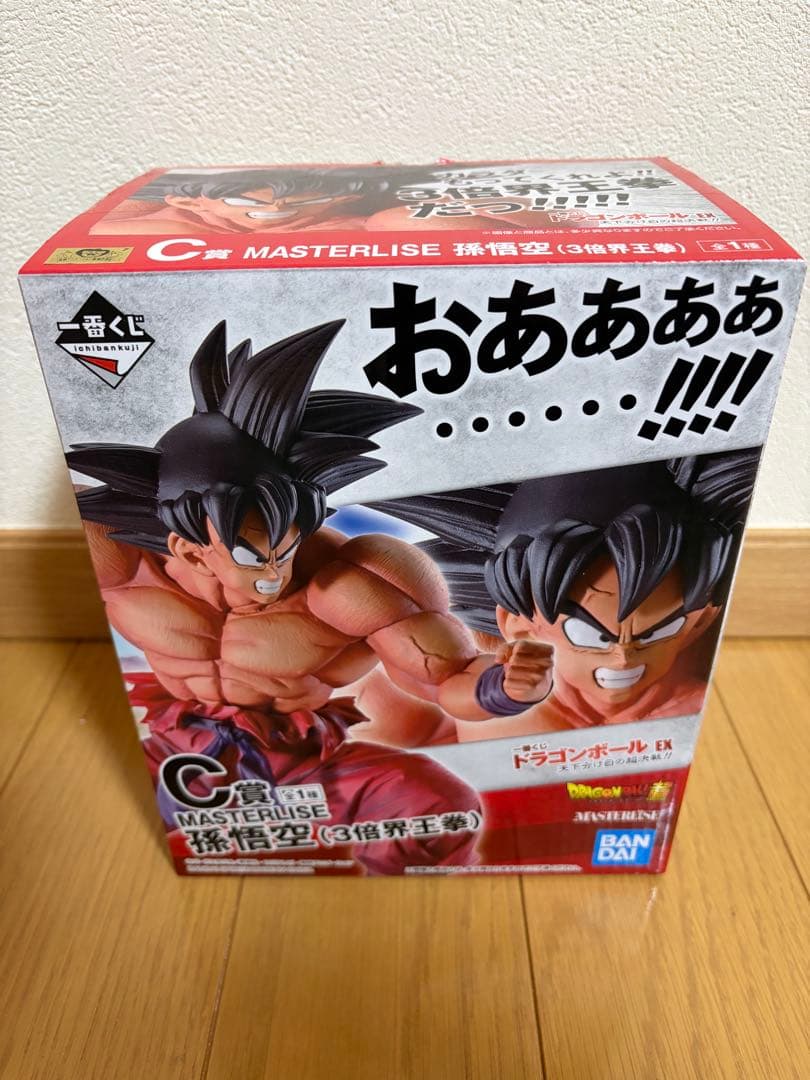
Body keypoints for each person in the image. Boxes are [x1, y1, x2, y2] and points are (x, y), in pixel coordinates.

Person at [68, 319, 552, 872]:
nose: (277, 573)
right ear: (191, 550)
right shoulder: (124, 563)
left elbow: (445, 679)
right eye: (253, 554)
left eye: (289, 543)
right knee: (87, 813)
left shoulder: (352, 581)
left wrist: (503, 687)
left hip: (299, 765)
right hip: (170, 747)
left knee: (441, 807)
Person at [360, 450, 758, 742]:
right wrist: (504, 692)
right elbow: (453, 691)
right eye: (590, 635)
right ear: (517, 623)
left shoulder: (693, 703)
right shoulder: (496, 684)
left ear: (700, 620)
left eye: (656, 632)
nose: (623, 657)